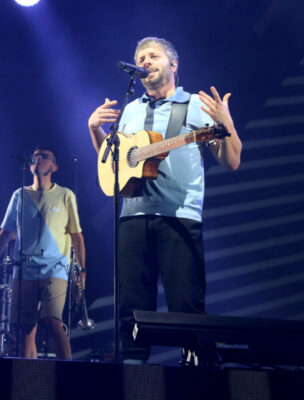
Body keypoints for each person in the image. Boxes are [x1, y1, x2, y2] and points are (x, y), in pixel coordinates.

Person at [88, 36, 242, 363]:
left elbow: (232, 161)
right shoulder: (130, 109)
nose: (145, 61)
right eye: (140, 58)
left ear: (173, 64)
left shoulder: (196, 104)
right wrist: (94, 130)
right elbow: (113, 165)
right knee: (130, 305)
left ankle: (196, 373)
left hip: (179, 217)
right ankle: (132, 373)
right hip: (132, 217)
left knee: (186, 305)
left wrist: (225, 121)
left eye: (153, 55)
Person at [0, 147, 86, 360]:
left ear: (54, 167)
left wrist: (82, 271)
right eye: (36, 156)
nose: (38, 158)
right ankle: (29, 376)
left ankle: (69, 373)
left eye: (45, 156)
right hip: (24, 269)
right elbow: (5, 232)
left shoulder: (65, 195)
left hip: (55, 268)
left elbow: (77, 236)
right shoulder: (20, 195)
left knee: (52, 321)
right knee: (24, 329)